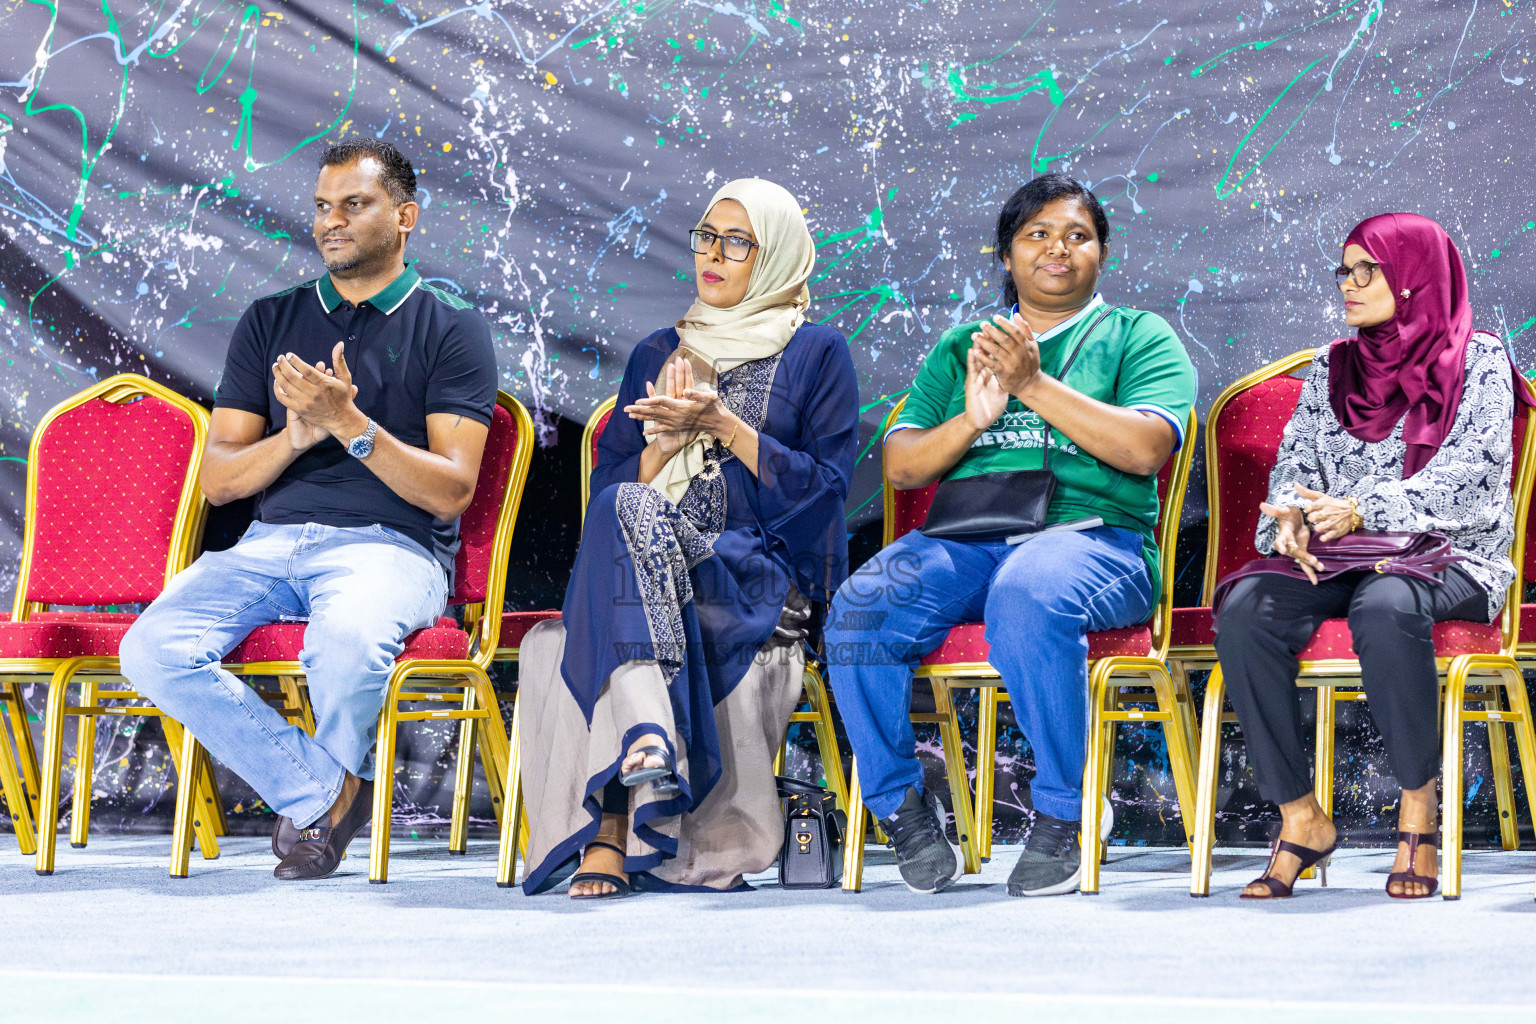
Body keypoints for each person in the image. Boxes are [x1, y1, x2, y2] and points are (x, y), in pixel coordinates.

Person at [119, 139, 497, 881]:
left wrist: (351, 425)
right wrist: (297, 433)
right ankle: (329, 792)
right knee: (151, 647)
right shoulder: (271, 320)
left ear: (404, 216)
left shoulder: (452, 325)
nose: (332, 222)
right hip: (270, 542)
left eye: (354, 205)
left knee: (348, 641)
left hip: (393, 548)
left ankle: (322, 809)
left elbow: (452, 490)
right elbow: (221, 482)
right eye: (323, 207)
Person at [824, 174, 1196, 896]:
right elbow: (901, 467)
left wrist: (1030, 386)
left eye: (1077, 235)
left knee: (1027, 591)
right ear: (1004, 254)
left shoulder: (1138, 336)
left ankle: (1066, 811)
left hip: (1096, 543)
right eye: (1038, 234)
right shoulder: (966, 344)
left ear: (1103, 253)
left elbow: (1147, 450)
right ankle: (901, 806)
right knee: (863, 604)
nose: (1058, 248)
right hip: (968, 541)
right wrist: (973, 419)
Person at [515, 178, 859, 898]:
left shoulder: (818, 352)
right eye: (707, 236)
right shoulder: (657, 350)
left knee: (618, 544)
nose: (715, 255)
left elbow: (825, 496)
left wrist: (725, 428)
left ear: (777, 255)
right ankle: (643, 746)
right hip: (643, 568)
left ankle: (611, 833)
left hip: (749, 576)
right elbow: (609, 493)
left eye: (739, 242)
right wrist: (665, 445)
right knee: (628, 506)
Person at [1212, 213, 1524, 900]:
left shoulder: (1481, 361)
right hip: (1342, 553)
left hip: (1452, 555)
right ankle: (1299, 817)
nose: (1348, 287)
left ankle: (1419, 805)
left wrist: (1367, 507)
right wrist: (1291, 519)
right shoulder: (1334, 366)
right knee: (1245, 608)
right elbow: (1294, 466)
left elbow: (1475, 476)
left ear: (1416, 276)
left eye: (1367, 271)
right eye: (1343, 274)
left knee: (1384, 604)